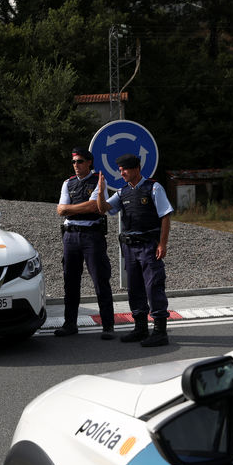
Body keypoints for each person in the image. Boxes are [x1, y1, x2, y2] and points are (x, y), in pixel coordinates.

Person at [97, 153, 174, 347]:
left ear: (136, 169)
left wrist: (162, 244)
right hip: (130, 248)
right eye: (120, 170)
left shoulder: (154, 188)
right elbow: (103, 208)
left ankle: (159, 331)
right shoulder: (123, 192)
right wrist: (100, 192)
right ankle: (140, 327)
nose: (121, 173)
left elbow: (165, 216)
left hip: (149, 246)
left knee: (153, 286)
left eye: (125, 169)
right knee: (135, 288)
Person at [55, 147, 115, 339]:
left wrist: (70, 209)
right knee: (70, 282)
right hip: (71, 236)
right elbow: (60, 210)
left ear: (89, 162)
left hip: (92, 236)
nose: (76, 165)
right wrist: (76, 209)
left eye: (79, 161)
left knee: (100, 280)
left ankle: (108, 326)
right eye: (73, 162)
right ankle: (70, 324)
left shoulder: (98, 181)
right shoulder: (68, 183)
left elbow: (94, 206)